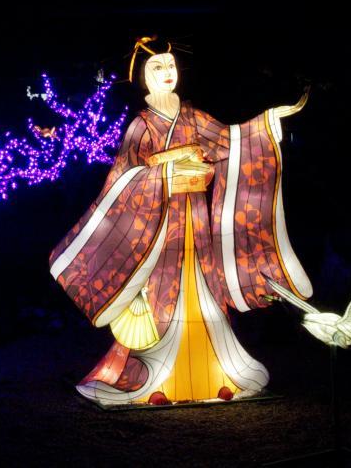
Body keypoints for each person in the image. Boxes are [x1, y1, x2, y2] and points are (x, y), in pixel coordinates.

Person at [48, 38, 312, 405]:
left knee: (204, 297)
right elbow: (122, 180)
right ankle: (152, 380)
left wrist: (267, 123)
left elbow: (230, 142)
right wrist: (164, 176)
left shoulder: (194, 117)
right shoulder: (140, 126)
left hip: (197, 222)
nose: (167, 73)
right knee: (162, 302)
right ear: (142, 76)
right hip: (159, 227)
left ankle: (221, 372)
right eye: (157, 67)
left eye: (170, 65)